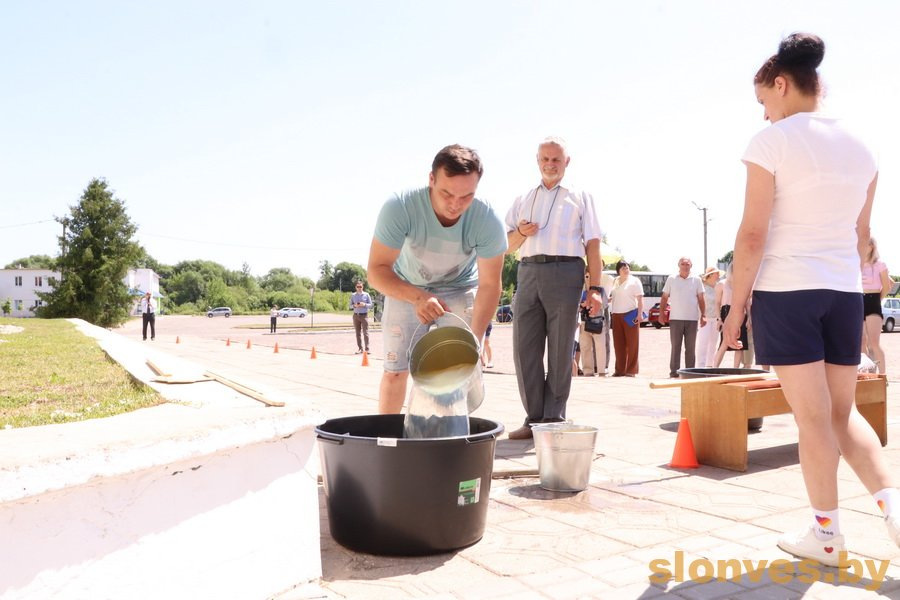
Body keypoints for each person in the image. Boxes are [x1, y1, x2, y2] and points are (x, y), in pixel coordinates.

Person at [723, 32, 899, 567]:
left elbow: (753, 235)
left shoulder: (771, 142)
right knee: (843, 413)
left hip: (787, 291)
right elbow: (862, 238)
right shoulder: (863, 146)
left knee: (814, 418)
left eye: (763, 100)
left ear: (781, 84)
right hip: (844, 292)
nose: (764, 114)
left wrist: (735, 309)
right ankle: (896, 513)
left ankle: (826, 535)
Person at [368, 144, 507, 414]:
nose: (455, 204)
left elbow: (491, 285)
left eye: (467, 196)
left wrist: (476, 340)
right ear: (431, 179)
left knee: (457, 370)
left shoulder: (487, 219)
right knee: (395, 371)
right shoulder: (400, 207)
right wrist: (417, 297)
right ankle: (386, 435)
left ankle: (449, 432)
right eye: (447, 193)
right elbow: (376, 271)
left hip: (459, 287)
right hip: (406, 286)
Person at [504, 137, 603, 439]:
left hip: (566, 270)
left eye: (556, 159)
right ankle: (533, 419)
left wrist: (595, 289)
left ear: (566, 162)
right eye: (545, 159)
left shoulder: (580, 197)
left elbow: (593, 243)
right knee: (524, 348)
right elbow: (506, 246)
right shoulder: (523, 198)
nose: (550, 165)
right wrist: (521, 232)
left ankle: (553, 418)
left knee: (560, 348)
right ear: (537, 161)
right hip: (528, 271)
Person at [659, 257, 707, 377]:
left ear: (691, 266)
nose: (685, 266)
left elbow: (701, 299)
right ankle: (674, 372)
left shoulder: (697, 280)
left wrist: (703, 315)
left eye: (687, 264)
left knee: (690, 348)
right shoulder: (671, 279)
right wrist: (661, 313)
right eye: (683, 264)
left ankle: (690, 372)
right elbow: (664, 297)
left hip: (692, 319)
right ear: (679, 265)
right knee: (675, 347)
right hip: (675, 319)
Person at [861, 237, 891, 373]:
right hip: (858, 300)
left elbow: (887, 286)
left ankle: (883, 375)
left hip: (873, 300)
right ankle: (866, 374)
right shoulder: (857, 264)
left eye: (867, 243)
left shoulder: (880, 264)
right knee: (861, 342)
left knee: (874, 343)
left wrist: (877, 300)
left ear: (872, 246)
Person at [608, 261, 643, 376]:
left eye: (627, 267)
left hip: (630, 314)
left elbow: (640, 298)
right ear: (618, 270)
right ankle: (620, 370)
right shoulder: (615, 281)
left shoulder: (635, 281)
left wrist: (639, 314)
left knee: (632, 344)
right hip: (616, 314)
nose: (626, 270)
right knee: (618, 344)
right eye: (623, 268)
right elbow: (614, 296)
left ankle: (631, 370)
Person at [714, 264, 749, 368]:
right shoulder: (722, 284)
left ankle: (736, 370)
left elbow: (747, 303)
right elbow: (717, 303)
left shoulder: (742, 284)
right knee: (724, 342)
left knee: (740, 344)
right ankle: (715, 368)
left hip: (741, 312)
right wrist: (719, 319)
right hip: (726, 312)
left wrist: (749, 318)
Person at [579, 270, 608, 376]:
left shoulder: (600, 290)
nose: (587, 278)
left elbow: (604, 305)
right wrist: (582, 305)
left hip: (598, 321)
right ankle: (588, 371)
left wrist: (592, 302)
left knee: (600, 348)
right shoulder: (579, 290)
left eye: (589, 276)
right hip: (584, 322)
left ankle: (601, 371)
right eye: (586, 276)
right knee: (585, 347)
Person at [696, 267, 722, 368]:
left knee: (714, 343)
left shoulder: (718, 286)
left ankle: (710, 365)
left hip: (716, 318)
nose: (718, 275)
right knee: (703, 342)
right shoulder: (702, 287)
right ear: (710, 275)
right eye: (716, 273)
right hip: (705, 318)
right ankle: (701, 366)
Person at [350, 282, 373, 354]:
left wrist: (364, 304)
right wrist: (354, 305)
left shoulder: (366, 294)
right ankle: (360, 349)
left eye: (360, 286)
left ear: (363, 287)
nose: (359, 288)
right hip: (356, 316)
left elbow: (371, 305)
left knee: (365, 332)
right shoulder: (353, 295)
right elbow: (350, 306)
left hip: (364, 315)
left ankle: (367, 349)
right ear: (356, 287)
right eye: (358, 287)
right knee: (357, 333)